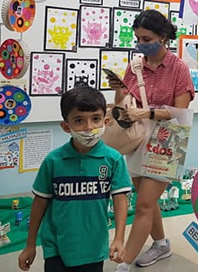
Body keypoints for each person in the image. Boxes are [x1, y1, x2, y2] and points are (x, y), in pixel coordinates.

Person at [110, 10, 195, 271]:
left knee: (145, 203)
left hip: (169, 140)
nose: (141, 44)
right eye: (137, 38)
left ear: (163, 36)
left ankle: (124, 264)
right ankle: (161, 244)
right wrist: (119, 92)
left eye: (146, 38)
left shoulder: (178, 68)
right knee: (145, 198)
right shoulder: (135, 65)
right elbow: (121, 103)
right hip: (138, 138)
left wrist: (145, 112)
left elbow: (180, 111)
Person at [18, 85, 131, 272]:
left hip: (94, 248)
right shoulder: (53, 161)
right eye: (79, 120)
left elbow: (120, 199)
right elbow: (40, 202)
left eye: (96, 119)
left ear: (107, 121)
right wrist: (30, 245)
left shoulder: (114, 159)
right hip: (56, 247)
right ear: (65, 126)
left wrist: (119, 238)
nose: (89, 128)